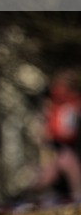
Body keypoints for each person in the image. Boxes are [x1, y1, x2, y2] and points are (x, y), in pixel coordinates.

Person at [30, 70, 81, 202]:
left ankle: (76, 197)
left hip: (65, 143)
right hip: (54, 143)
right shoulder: (54, 99)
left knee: (64, 169)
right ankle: (31, 196)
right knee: (56, 172)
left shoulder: (73, 101)